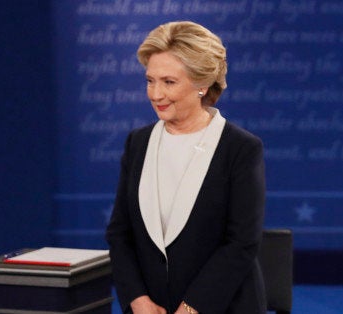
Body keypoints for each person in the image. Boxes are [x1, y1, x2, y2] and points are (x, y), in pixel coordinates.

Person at [105, 21, 266, 314]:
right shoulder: (137, 143)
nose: (155, 94)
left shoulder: (240, 148)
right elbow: (120, 233)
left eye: (169, 82)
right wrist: (137, 300)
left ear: (202, 84)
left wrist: (193, 309)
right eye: (150, 81)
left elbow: (241, 242)